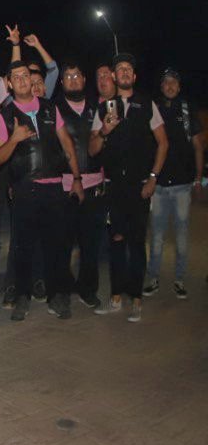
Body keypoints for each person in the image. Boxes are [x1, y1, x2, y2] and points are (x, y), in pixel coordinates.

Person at [0, 61, 87, 322]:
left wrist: (77, 179)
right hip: (24, 189)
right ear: (9, 84)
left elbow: (67, 143)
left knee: (56, 246)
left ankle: (57, 297)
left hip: (54, 187)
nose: (22, 80)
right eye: (17, 77)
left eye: (26, 75)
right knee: (23, 248)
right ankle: (22, 297)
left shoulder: (50, 108)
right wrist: (14, 139)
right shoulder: (5, 116)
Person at [89, 54, 169, 322]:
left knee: (136, 242)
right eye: (119, 69)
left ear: (133, 77)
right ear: (113, 76)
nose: (123, 72)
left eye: (128, 69)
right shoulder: (104, 108)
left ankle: (136, 298)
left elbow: (163, 143)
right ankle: (115, 296)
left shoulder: (146, 104)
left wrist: (153, 177)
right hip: (114, 187)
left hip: (139, 186)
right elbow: (92, 149)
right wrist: (104, 131)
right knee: (116, 241)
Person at [146, 68, 204, 299]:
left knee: (181, 235)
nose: (170, 86)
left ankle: (179, 279)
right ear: (161, 87)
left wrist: (199, 179)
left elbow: (198, 146)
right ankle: (153, 278)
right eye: (166, 82)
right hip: (158, 186)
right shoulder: (153, 109)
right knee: (157, 236)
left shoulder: (188, 111)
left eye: (174, 83)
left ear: (179, 87)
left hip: (182, 185)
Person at [53, 62, 107, 309]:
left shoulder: (99, 109)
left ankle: (88, 288)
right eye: (68, 76)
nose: (73, 80)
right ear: (61, 82)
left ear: (85, 80)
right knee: (62, 243)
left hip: (95, 185)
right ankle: (62, 290)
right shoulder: (53, 109)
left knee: (90, 243)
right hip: (64, 187)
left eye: (77, 75)